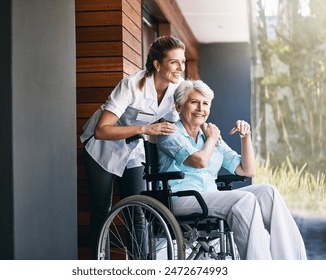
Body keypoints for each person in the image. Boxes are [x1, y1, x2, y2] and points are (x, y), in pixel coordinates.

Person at [156, 79, 307, 260]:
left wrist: (245, 136)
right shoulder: (170, 133)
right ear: (179, 107)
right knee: (245, 200)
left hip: (209, 197)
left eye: (205, 104)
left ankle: (290, 263)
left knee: (268, 192)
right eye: (194, 102)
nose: (200, 109)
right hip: (181, 198)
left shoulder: (211, 136)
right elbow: (199, 161)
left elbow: (247, 170)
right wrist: (212, 139)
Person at [80, 36, 186, 259]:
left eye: (183, 61)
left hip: (131, 149)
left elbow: (175, 120)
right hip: (102, 148)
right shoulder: (131, 85)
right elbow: (102, 130)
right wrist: (146, 130)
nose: (180, 67)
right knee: (102, 210)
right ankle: (99, 265)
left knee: (138, 209)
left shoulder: (175, 89)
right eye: (174, 62)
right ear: (157, 64)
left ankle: (141, 266)